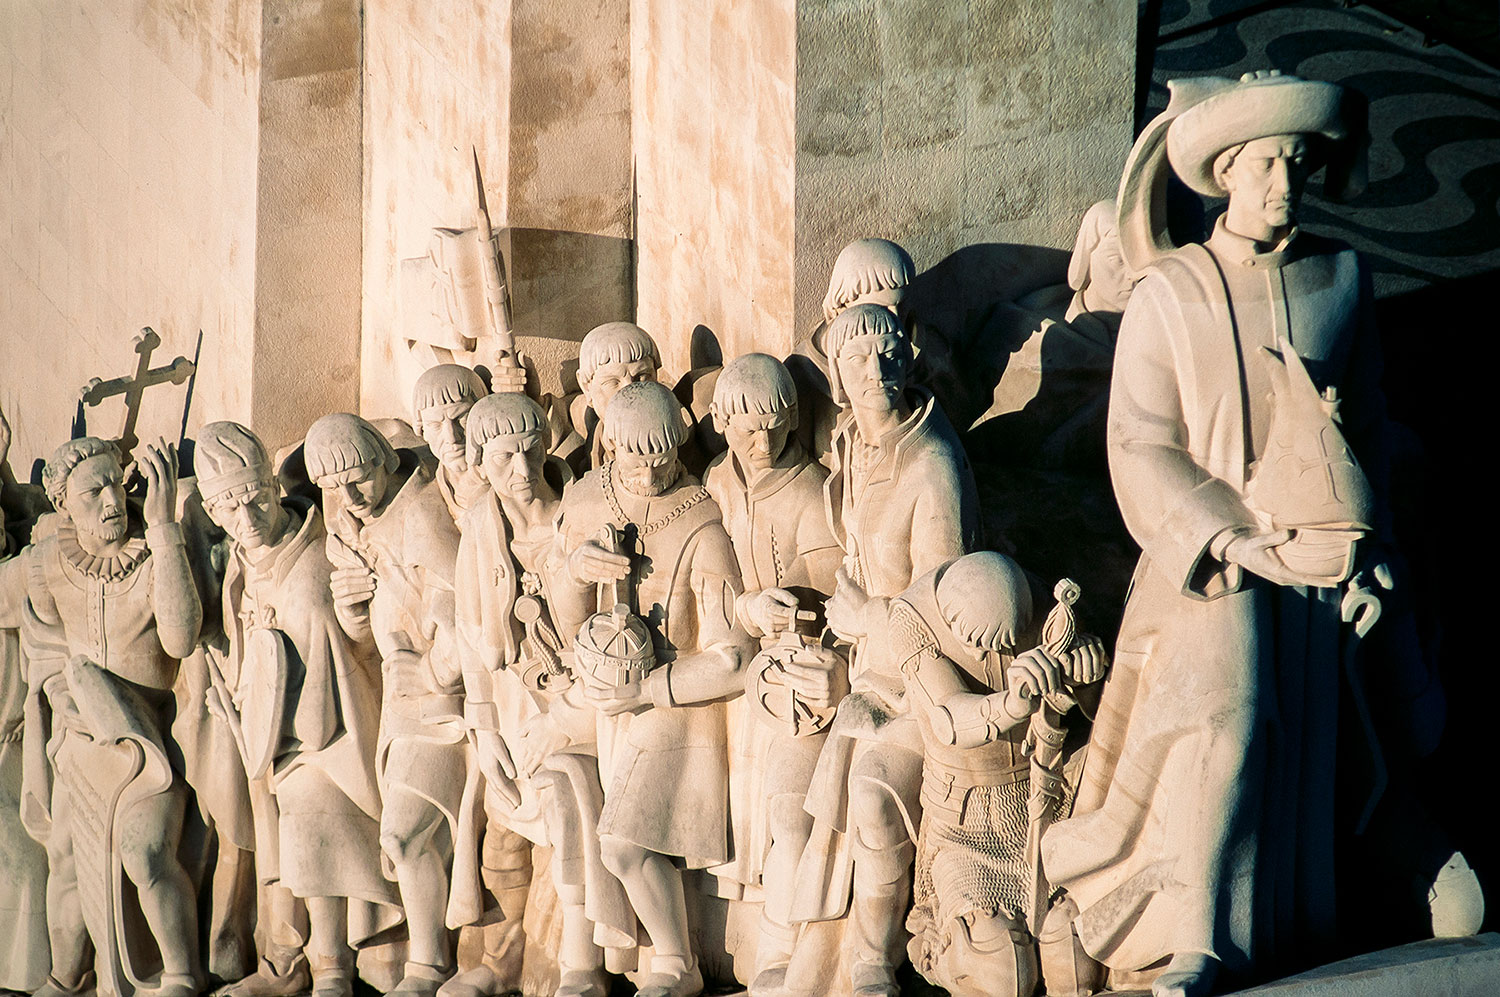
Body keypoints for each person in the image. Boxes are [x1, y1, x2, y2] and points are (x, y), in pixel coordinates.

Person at [1041, 71, 1399, 997]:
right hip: (1207, 572)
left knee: (1317, 750)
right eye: (1271, 163)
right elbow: (1140, 443)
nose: (1288, 183)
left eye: (1301, 164)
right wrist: (1229, 542)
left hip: (1317, 574)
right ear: (1229, 170)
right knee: (1228, 727)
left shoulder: (1342, 278)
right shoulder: (1172, 293)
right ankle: (1197, 935)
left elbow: (1372, 437)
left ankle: (1305, 914)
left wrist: (1373, 556)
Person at [791, 303, 981, 997]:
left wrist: (869, 618)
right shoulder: (854, 445)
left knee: (871, 800)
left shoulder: (931, 464)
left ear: (909, 357)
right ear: (836, 377)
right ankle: (811, 953)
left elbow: (951, 609)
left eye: (888, 351)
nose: (875, 368)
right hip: (866, 675)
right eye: (857, 356)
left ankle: (874, 959)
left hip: (925, 684)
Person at [547, 381, 755, 997]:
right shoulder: (586, 500)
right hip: (606, 704)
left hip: (677, 708)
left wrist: (649, 689)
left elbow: (731, 657)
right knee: (562, 785)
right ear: (608, 443)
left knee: (623, 843)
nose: (648, 470)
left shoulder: (701, 523)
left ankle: (677, 964)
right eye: (633, 456)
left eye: (661, 455)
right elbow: (564, 626)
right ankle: (601, 959)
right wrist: (572, 575)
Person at [196, 422, 401, 997]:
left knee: (312, 808)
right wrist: (239, 695)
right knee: (269, 819)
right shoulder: (239, 564)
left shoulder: (323, 555)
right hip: (272, 739)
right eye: (231, 511)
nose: (249, 520)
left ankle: (332, 965)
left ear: (272, 486)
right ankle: (285, 963)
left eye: (257, 500)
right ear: (214, 513)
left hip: (334, 737)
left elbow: (359, 646)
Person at [451, 391, 634, 997]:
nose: (523, 472)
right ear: (479, 462)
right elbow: (474, 634)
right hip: (509, 702)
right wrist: (483, 728)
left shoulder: (579, 510)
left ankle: (569, 965)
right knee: (500, 829)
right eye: (504, 459)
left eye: (531, 453)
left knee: (564, 809)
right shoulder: (481, 525)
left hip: (582, 703)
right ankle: (497, 960)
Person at [20, 437, 202, 997]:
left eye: (115, 483)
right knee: (68, 860)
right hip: (81, 741)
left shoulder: (153, 554)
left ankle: (180, 974)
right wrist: (59, 687)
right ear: (63, 506)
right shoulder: (49, 564)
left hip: (148, 745)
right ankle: (67, 977)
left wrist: (166, 528)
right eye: (91, 490)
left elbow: (181, 636)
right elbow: (46, 643)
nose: (110, 499)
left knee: (145, 852)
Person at [305, 414, 478, 997]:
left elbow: (464, 608)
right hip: (403, 709)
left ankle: (430, 965)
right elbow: (369, 628)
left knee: (406, 835)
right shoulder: (358, 525)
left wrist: (431, 670)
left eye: (357, 479)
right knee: (405, 840)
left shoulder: (421, 516)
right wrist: (355, 613)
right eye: (334, 489)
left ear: (382, 460)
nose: (350, 498)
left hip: (444, 707)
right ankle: (427, 961)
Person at [890, 552, 1106, 997]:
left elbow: (1094, 704)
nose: (989, 655)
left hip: (1043, 794)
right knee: (1000, 963)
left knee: (1073, 955)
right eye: (977, 643)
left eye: (1005, 644)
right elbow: (948, 717)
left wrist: (1085, 673)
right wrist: (1012, 702)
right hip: (965, 822)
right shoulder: (910, 616)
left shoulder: (1038, 597)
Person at [702, 353, 846, 993]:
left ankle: (781, 955)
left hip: (799, 680)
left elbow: (830, 596)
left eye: (774, 427)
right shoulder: (718, 483)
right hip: (737, 669)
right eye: (746, 427)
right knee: (740, 823)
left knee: (790, 814)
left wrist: (787, 612)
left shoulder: (812, 491)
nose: (761, 443)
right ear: (723, 423)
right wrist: (745, 607)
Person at [412, 364, 491, 521]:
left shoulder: (514, 476)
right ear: (422, 431)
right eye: (435, 425)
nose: (452, 437)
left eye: (461, 418)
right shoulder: (425, 504)